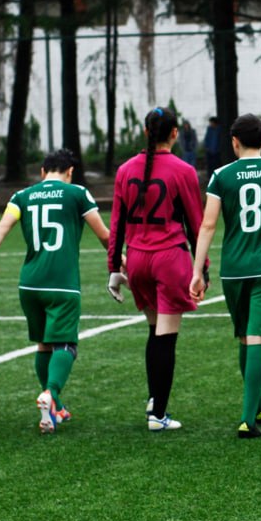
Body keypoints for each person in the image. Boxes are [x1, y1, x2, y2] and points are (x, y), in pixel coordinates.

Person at [0, 150, 110, 433]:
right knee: (66, 345)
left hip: (29, 284)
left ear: (42, 172)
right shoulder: (77, 193)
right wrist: (121, 261)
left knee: (43, 344)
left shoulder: (22, 196)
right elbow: (104, 235)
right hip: (62, 283)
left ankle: (55, 407)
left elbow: (2, 227)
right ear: (70, 171)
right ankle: (51, 393)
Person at [190, 114, 261, 438]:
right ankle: (248, 419)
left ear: (234, 142)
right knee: (257, 335)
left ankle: (257, 404)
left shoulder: (221, 175)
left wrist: (197, 271)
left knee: (246, 335)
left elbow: (208, 225)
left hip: (235, 269)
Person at [109, 107, 206, 431]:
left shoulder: (125, 170)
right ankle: (158, 415)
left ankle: (155, 401)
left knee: (154, 331)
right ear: (175, 133)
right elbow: (195, 224)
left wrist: (113, 267)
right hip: (169, 259)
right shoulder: (183, 170)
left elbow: (117, 224)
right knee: (166, 336)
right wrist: (202, 269)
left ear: (145, 132)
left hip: (137, 259)